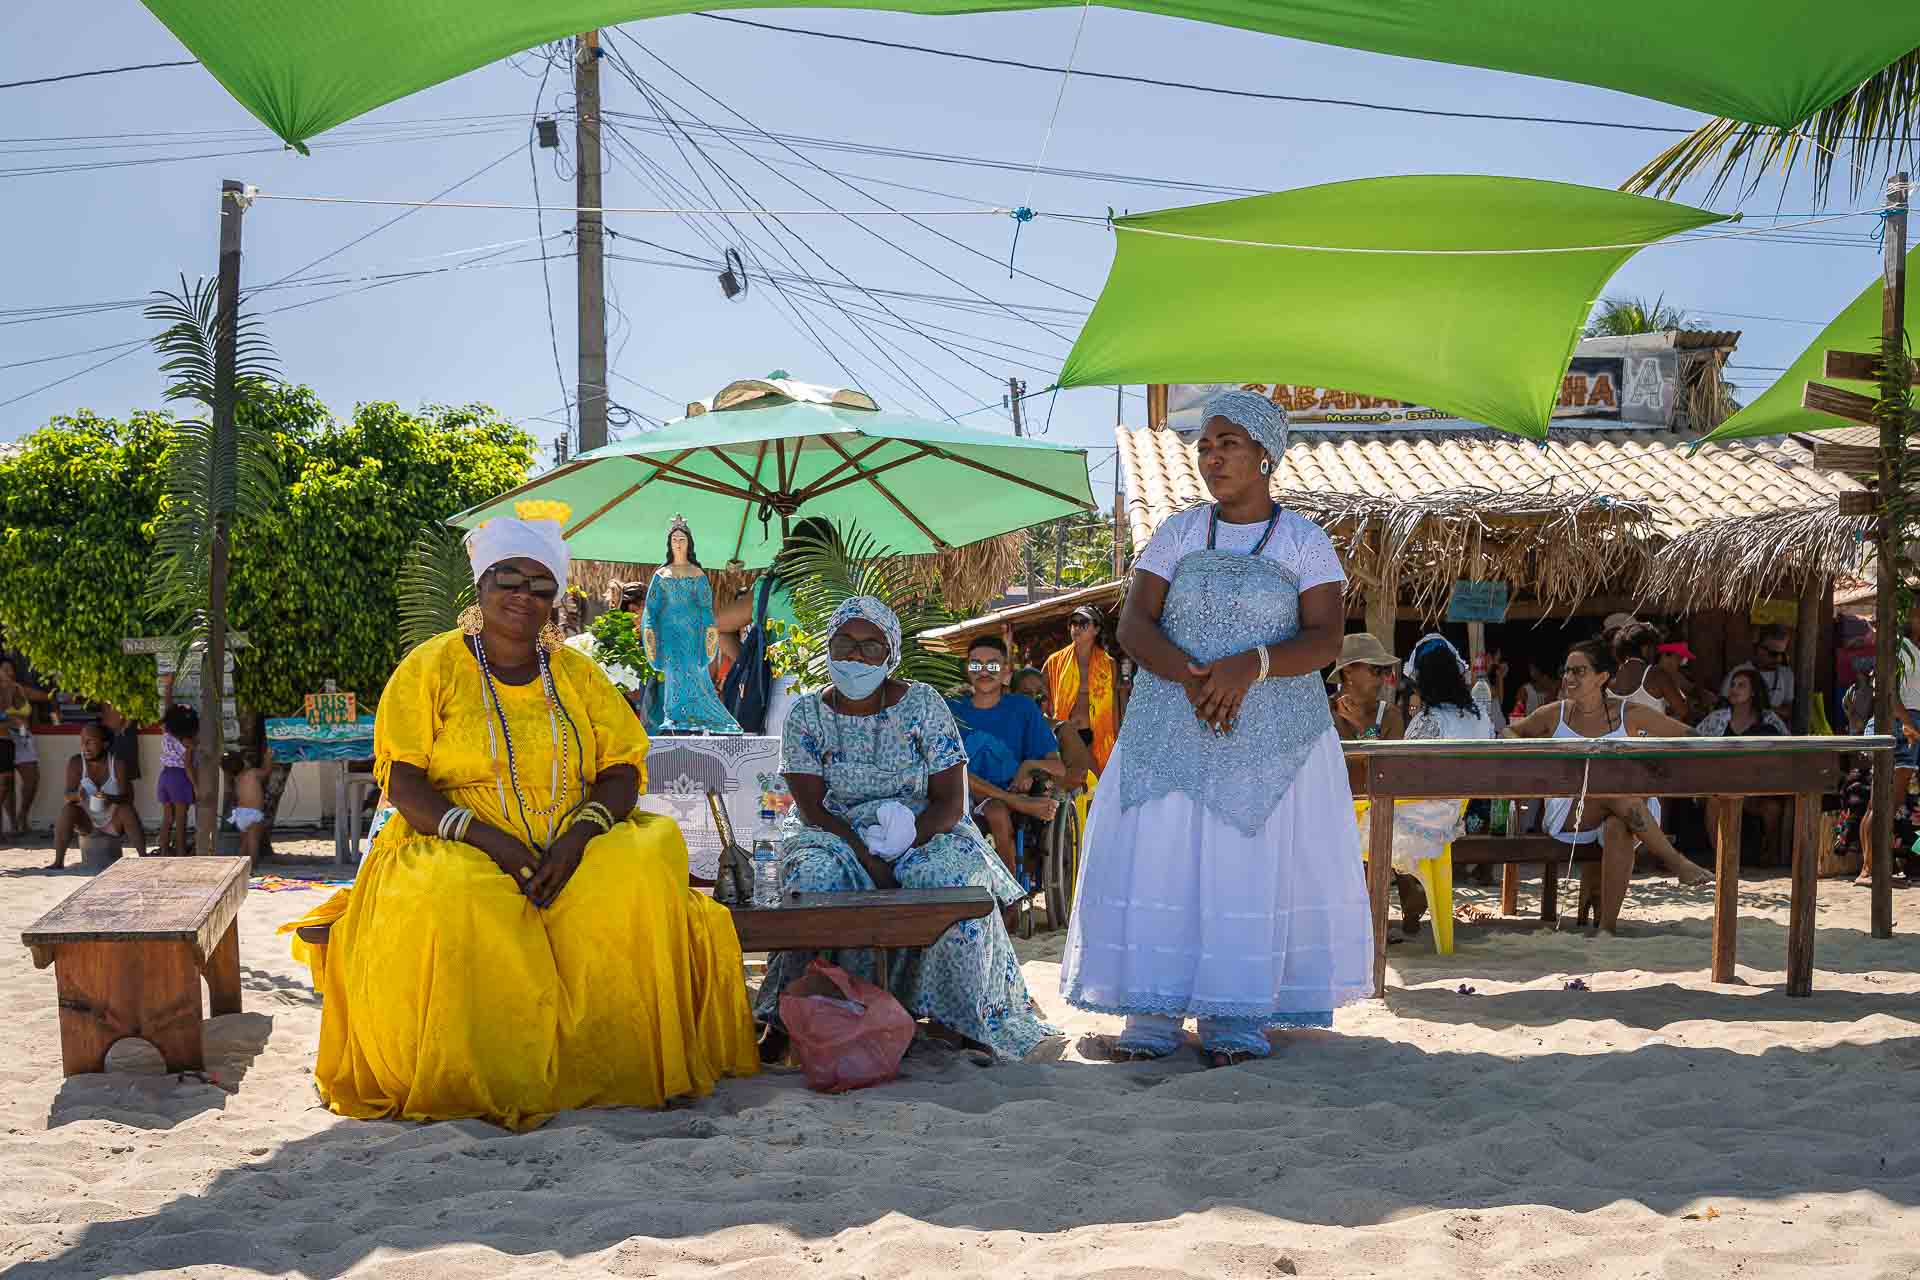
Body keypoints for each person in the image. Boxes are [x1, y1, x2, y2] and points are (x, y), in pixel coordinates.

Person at [299, 511, 759, 1129]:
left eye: (540, 587)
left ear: (555, 601)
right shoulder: (430, 667)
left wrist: (578, 835)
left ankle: (613, 1069)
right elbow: (403, 780)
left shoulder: (578, 676)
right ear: (481, 585)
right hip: (455, 837)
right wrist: (489, 839)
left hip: (575, 839)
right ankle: (487, 1079)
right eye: (508, 580)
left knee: (649, 861)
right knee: (452, 893)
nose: (523, 596)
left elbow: (622, 767)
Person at [1061, 390, 1372, 1068]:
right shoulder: (1176, 533)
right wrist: (1195, 677)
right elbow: (1135, 624)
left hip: (1271, 737)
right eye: (1204, 444)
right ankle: (1152, 1013)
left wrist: (1250, 666)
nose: (1212, 455)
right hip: (1171, 724)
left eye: (1227, 442)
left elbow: (1324, 640)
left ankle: (1235, 1014)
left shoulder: (1303, 540)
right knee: (1163, 856)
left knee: (1245, 864)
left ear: (1265, 453)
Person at [757, 597, 1055, 1061]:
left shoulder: (922, 705)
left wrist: (905, 842)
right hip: (833, 833)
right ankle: (793, 1013)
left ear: (891, 653)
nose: (856, 656)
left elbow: (952, 801)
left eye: (871, 646)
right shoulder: (806, 715)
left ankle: (963, 1017)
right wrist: (867, 857)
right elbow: (812, 806)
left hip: (926, 827)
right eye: (845, 644)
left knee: (944, 880)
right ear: (828, 648)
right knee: (814, 881)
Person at [1504, 638, 1712, 933]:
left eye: (1579, 671)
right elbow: (1510, 730)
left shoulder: (1629, 712)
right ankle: (1675, 861)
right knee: (1612, 790)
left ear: (1602, 678)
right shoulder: (1555, 713)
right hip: (1569, 812)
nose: (1569, 678)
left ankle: (1607, 929)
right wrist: (1530, 752)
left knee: (1618, 826)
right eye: (1567, 671)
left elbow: (1689, 734)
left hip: (1627, 809)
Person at [1369, 635, 1498, 936]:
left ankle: (1391, 905)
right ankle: (1411, 895)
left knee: (1368, 821)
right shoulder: (1481, 719)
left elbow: (1402, 775)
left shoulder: (1428, 720)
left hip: (1426, 818)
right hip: (1461, 816)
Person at [947, 636, 1061, 878]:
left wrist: (1029, 765)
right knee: (957, 769)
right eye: (976, 665)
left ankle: (1010, 898)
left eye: (993, 665)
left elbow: (1058, 767)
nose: (984, 671)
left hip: (1004, 800)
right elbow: (945, 764)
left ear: (1007, 672)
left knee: (997, 810)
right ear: (968, 669)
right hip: (958, 797)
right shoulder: (952, 708)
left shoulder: (1022, 708)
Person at [642, 516, 744, 734]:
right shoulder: (661, 575)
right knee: (673, 677)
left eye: (682, 539)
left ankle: (702, 717)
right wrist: (651, 632)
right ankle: (674, 717)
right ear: (669, 544)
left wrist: (708, 636)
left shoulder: (698, 574)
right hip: (669, 636)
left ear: (689, 543)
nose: (678, 543)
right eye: (675, 539)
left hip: (691, 635)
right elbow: (652, 608)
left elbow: (706, 608)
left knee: (696, 675)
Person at [1695, 669, 1788, 863]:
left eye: (1741, 685)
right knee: (1713, 802)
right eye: (1733, 684)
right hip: (1721, 785)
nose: (1734, 689)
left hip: (1756, 789)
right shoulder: (1717, 719)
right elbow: (1694, 739)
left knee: (1773, 809)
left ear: (1753, 691)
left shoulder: (1769, 720)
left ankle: (1769, 855)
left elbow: (1787, 748)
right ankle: (1720, 858)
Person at [1858, 609, 1920, 887]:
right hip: (1896, 724)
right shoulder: (1896, 648)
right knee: (1881, 804)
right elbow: (1886, 692)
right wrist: (1908, 724)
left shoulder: (1912, 649)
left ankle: (1877, 867)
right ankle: (1869, 870)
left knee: (1888, 804)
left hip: (1909, 724)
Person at [52, 723, 146, 867]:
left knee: (126, 810)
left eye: (91, 741)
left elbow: (128, 798)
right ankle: (58, 862)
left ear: (105, 744)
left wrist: (109, 798)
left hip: (113, 821)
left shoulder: (118, 764)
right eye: (83, 741)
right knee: (68, 810)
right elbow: (67, 794)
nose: (85, 746)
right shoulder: (76, 762)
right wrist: (77, 796)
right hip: (87, 821)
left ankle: (144, 858)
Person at [1043, 605, 1121, 775]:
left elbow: (1114, 705)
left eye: (1083, 623)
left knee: (1099, 788)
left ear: (1096, 629)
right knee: (1070, 788)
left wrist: (1117, 739)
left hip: (1098, 735)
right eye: (1073, 623)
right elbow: (1039, 699)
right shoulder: (1054, 662)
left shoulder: (1108, 664)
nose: (1076, 628)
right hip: (1066, 735)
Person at [0, 659, 46, 838]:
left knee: (32, 779)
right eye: (4, 670)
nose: (8, 673)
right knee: (7, 783)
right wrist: (12, 720)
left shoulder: (19, 688)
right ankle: (12, 823)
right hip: (4, 739)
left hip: (23, 740)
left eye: (11, 670)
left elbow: (46, 696)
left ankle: (22, 816)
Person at [1329, 632, 1403, 741]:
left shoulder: (1390, 716)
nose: (1383, 678)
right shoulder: (1324, 712)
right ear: (1348, 671)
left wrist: (1363, 726)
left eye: (1386, 670)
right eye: (1376, 669)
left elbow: (1385, 758)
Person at [157, 704, 199, 858]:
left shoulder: (166, 733)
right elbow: (187, 765)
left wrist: (168, 686)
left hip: (165, 776)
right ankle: (181, 853)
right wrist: (196, 786)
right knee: (181, 818)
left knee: (168, 818)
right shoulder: (187, 743)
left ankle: (163, 851)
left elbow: (167, 709)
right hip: (180, 778)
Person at [1722, 624, 1795, 713]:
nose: (1779, 659)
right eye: (1773, 654)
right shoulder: (1738, 672)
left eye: (1783, 654)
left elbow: (1790, 711)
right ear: (1758, 648)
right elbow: (1725, 707)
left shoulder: (1786, 674)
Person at [1611, 622, 1667, 712]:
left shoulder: (1608, 685)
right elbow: (1684, 712)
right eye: (1654, 647)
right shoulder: (1657, 675)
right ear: (1645, 648)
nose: (1655, 653)